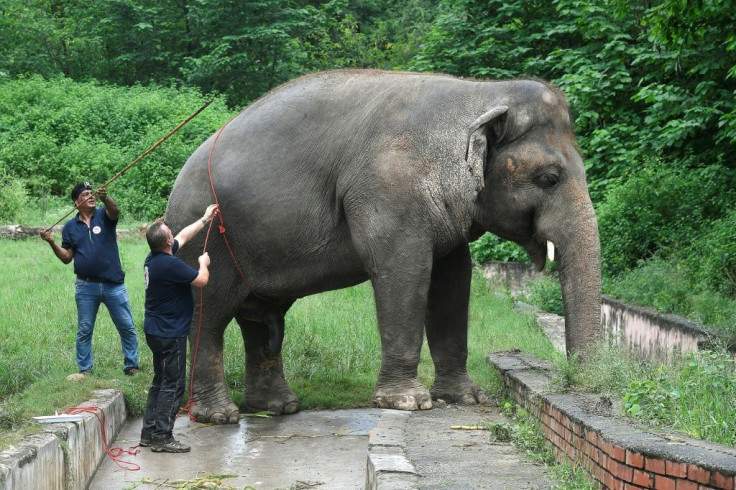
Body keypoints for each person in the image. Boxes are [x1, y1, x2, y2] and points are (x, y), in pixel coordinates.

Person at [139, 204, 217, 453]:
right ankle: (163, 437)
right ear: (166, 240)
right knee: (173, 385)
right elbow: (202, 280)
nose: (174, 234)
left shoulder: (154, 258)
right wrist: (203, 262)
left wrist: (205, 219)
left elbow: (183, 235)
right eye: (170, 232)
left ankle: (149, 432)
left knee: (159, 381)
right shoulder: (170, 266)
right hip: (169, 334)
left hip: (155, 330)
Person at [40, 182, 139, 378]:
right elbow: (67, 258)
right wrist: (51, 242)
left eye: (92, 193)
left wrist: (106, 198)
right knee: (84, 330)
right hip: (86, 287)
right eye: (86, 194)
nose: (91, 195)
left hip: (114, 285)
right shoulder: (69, 227)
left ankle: (131, 366)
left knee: (126, 326)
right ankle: (85, 369)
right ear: (77, 202)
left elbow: (114, 210)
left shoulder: (104, 215)